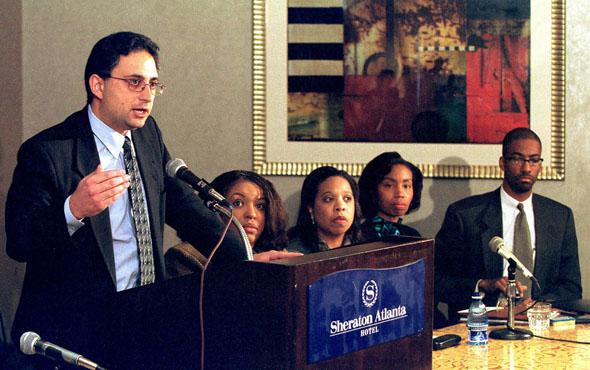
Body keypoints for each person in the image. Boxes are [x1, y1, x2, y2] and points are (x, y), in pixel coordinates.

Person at [3, 32, 288, 357]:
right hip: (74, 334)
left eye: (153, 84)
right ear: (98, 85)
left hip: (143, 322)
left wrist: (247, 260)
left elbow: (188, 212)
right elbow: (20, 241)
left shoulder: (147, 135)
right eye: (135, 82)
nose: (147, 95)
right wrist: (73, 209)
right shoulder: (47, 152)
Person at [434, 128, 582, 324]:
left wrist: (536, 305)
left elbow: (571, 287)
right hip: (483, 329)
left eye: (534, 160)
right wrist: (483, 285)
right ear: (502, 163)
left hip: (541, 326)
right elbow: (436, 281)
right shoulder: (464, 215)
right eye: (517, 159)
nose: (526, 168)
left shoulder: (559, 216)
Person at [166, 170, 293, 275]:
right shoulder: (184, 257)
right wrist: (244, 268)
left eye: (260, 206)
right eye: (238, 203)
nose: (251, 214)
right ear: (213, 208)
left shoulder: (274, 258)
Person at [287, 166, 362, 254]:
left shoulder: (367, 248)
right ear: (311, 208)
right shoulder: (294, 253)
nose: (341, 206)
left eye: (347, 198)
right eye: (328, 199)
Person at [358, 152, 423, 239]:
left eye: (406, 186)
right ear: (372, 189)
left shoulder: (412, 235)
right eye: (389, 185)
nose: (400, 194)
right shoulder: (358, 235)